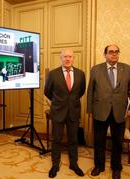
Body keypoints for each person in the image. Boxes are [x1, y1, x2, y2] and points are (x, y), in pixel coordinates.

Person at [87, 44, 130, 179]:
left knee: (117, 143)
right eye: (111, 52)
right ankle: (99, 166)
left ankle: (116, 168)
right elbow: (90, 91)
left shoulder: (127, 69)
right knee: (99, 142)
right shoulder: (96, 69)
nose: (114, 54)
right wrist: (90, 110)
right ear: (105, 55)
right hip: (100, 111)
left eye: (116, 52)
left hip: (119, 112)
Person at [44, 48, 86, 178]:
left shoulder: (80, 74)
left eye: (70, 57)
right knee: (56, 139)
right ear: (61, 58)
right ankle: (55, 164)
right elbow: (47, 91)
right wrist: (59, 101)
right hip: (58, 112)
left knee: (73, 139)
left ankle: (74, 163)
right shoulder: (53, 74)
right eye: (65, 56)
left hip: (74, 111)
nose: (67, 59)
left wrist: (70, 101)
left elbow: (81, 91)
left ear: (73, 58)